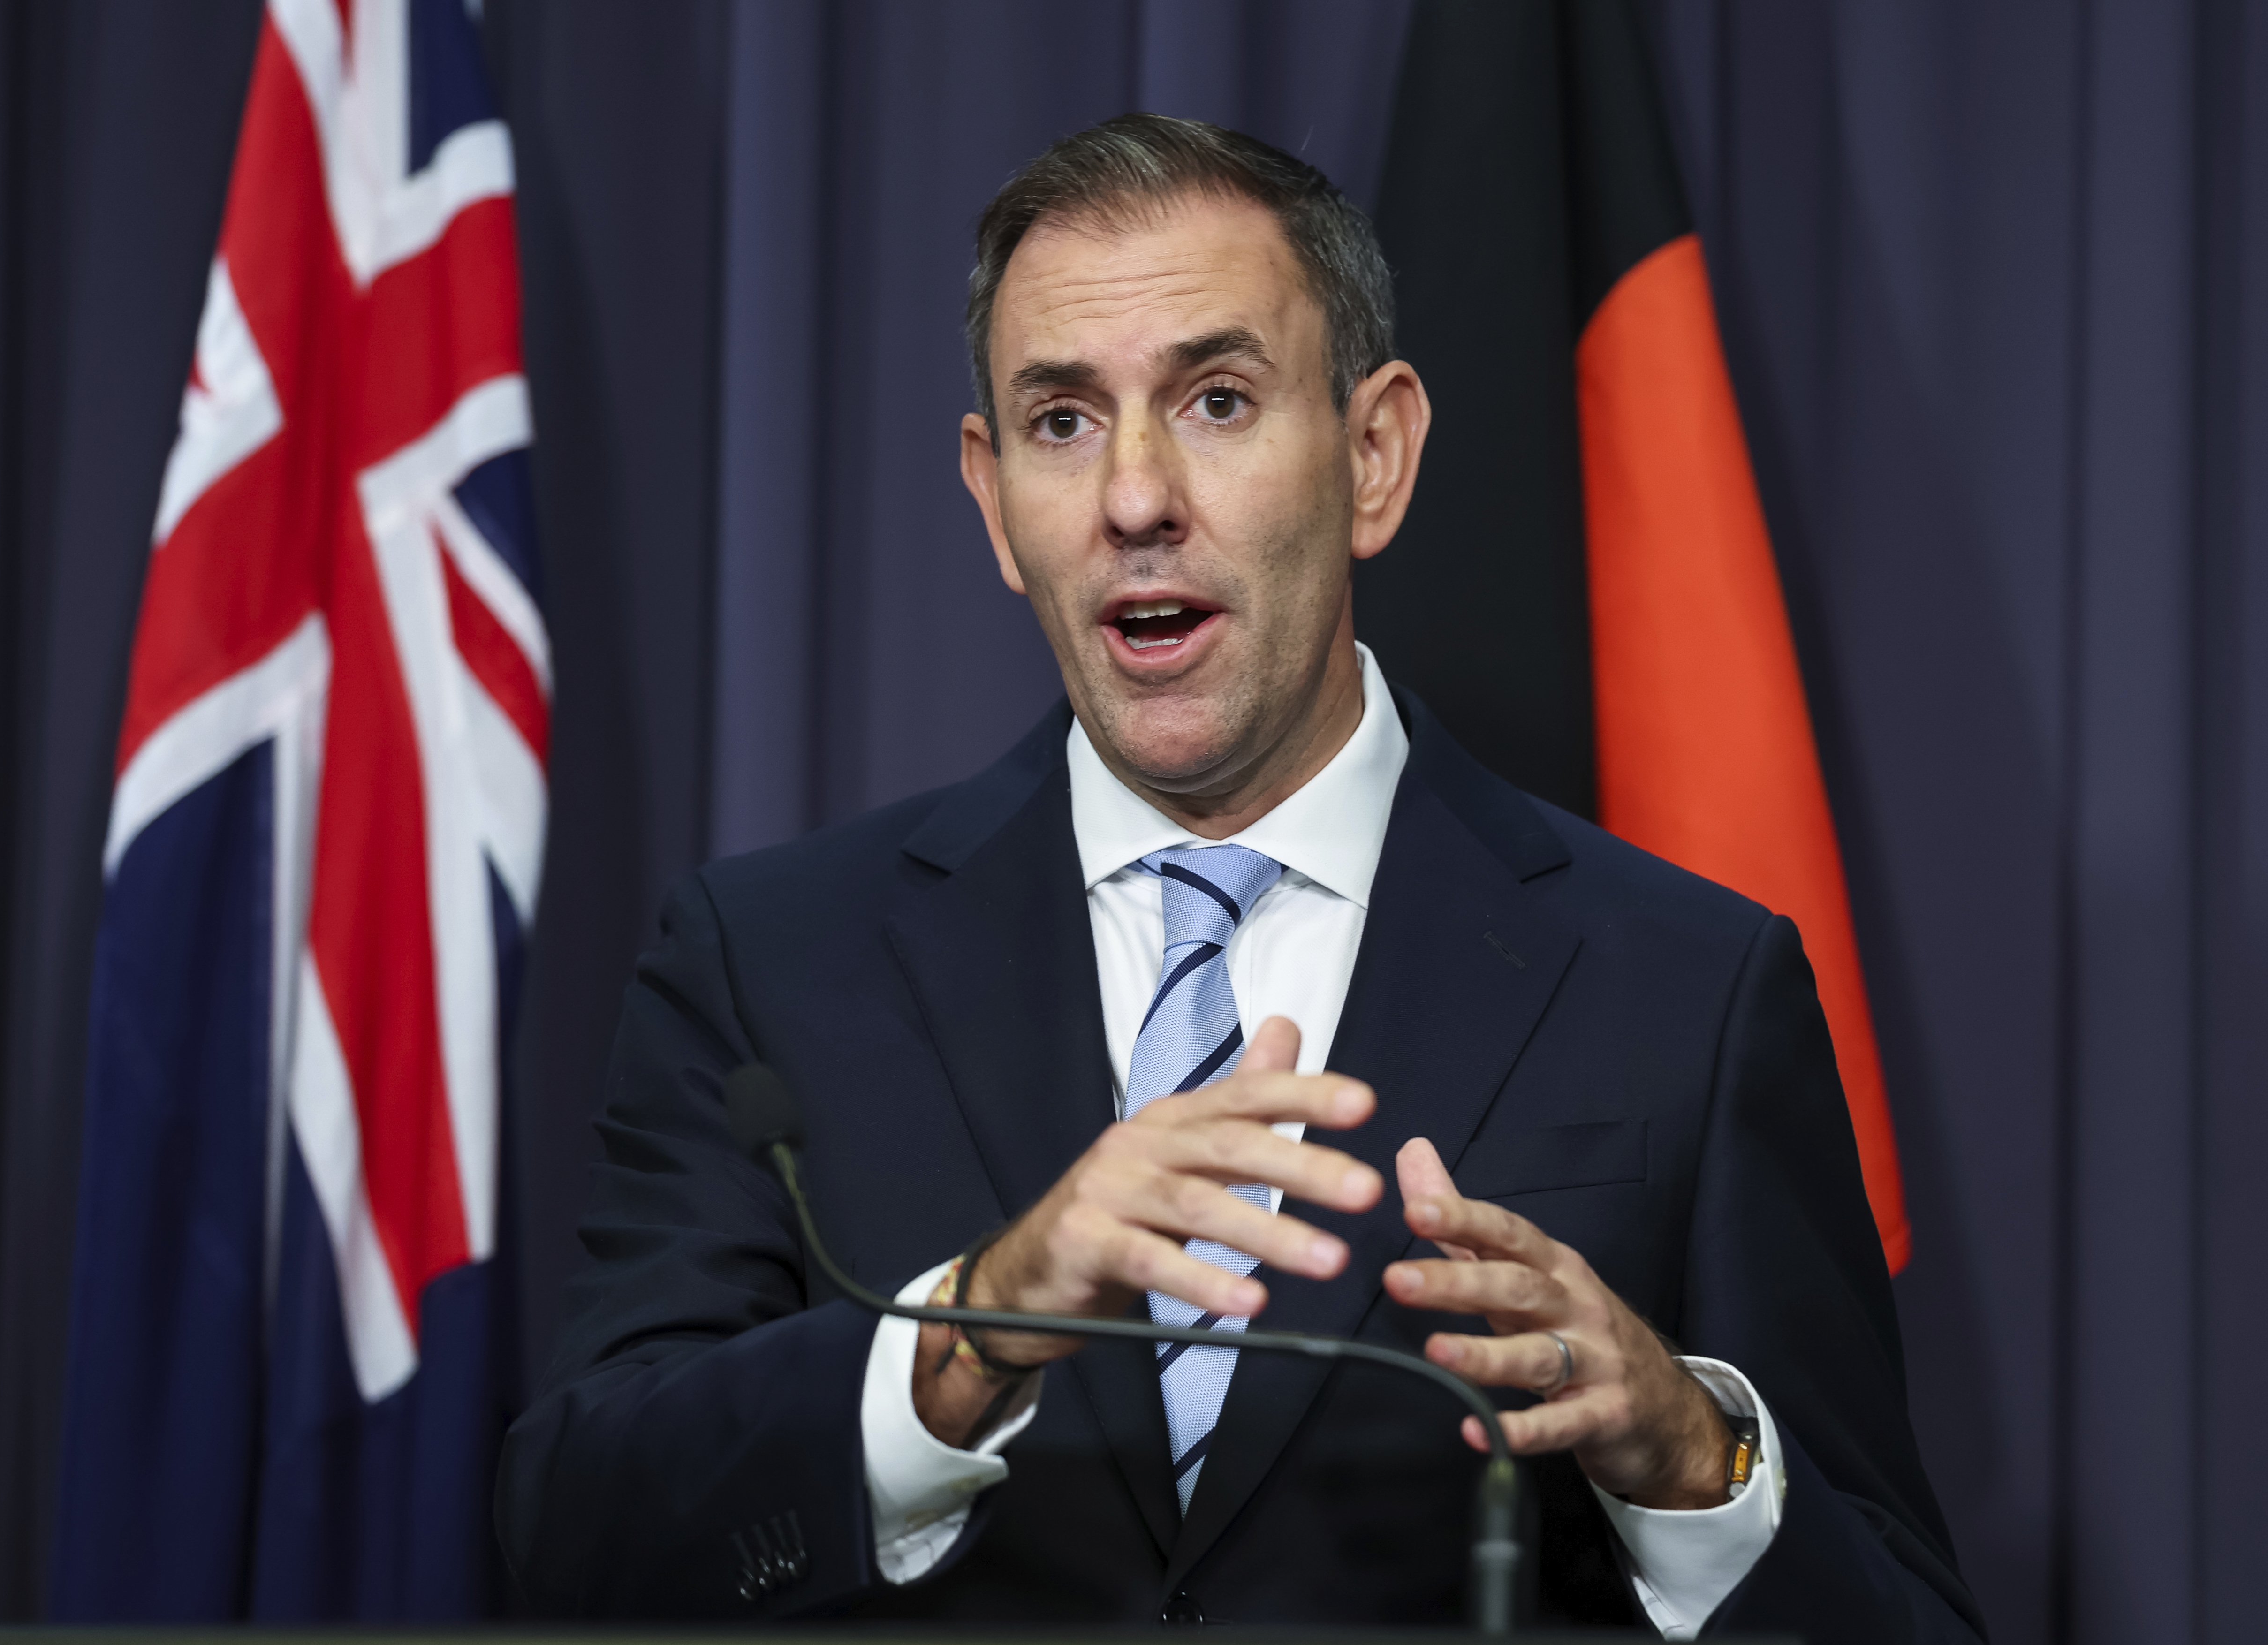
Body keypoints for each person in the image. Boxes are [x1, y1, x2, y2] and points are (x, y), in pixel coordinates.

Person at [496, 114, 1982, 1640]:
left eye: (1214, 399)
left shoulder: (1688, 984)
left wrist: (1684, 1455)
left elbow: (1903, 1619)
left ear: (1374, 455)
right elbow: (576, 1535)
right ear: (994, 497)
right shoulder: (767, 962)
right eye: (1062, 422)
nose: (1135, 498)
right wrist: (968, 1329)